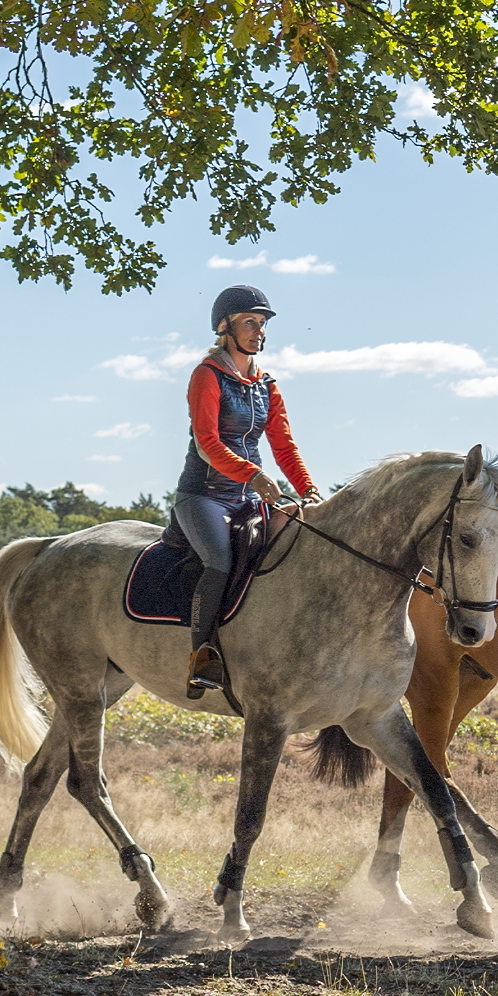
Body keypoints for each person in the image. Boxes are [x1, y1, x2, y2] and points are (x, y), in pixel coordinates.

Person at [175, 283, 319, 699]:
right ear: (225, 327)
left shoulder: (266, 384)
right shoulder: (207, 375)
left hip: (247, 497)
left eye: (262, 324)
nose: (259, 331)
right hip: (203, 496)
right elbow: (208, 442)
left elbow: (284, 445)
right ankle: (202, 657)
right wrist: (253, 474)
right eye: (249, 323)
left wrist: (308, 490)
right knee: (219, 561)